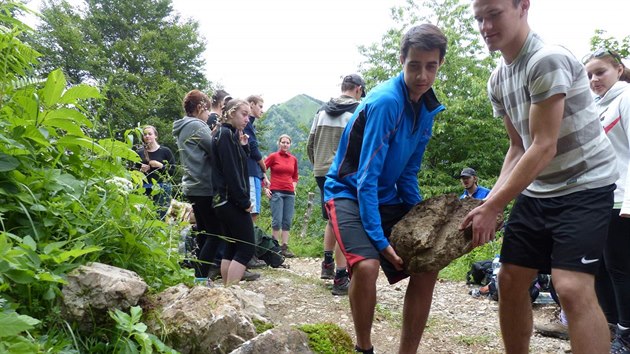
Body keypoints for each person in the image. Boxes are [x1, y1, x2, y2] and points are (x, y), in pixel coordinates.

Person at [463, 1, 619, 353]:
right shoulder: (498, 79)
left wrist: (495, 205)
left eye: (494, 14)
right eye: (479, 18)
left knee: (571, 287)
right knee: (510, 278)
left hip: (586, 184)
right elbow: (518, 146)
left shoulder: (546, 60)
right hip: (539, 188)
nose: (486, 26)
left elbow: (544, 145)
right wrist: (489, 205)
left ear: (522, 7)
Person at [324, 24, 448, 354]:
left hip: (384, 194)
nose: (422, 75)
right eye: (414, 65)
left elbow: (408, 174)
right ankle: (363, 347)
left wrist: (426, 218)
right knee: (366, 267)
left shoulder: (427, 108)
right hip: (347, 192)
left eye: (430, 66)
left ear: (439, 65)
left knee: (428, 263)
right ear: (401, 61)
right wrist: (379, 240)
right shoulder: (385, 102)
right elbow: (365, 177)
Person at [584, 48, 630, 352]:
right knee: (597, 267)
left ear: (618, 69)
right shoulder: (597, 106)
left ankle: (626, 333)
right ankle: (611, 325)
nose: (594, 79)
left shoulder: (626, 98)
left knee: (620, 268)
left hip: (622, 199)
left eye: (600, 72)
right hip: (600, 198)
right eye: (588, 75)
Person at [307, 73, 365, 295]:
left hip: (322, 171)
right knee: (344, 221)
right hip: (345, 173)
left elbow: (310, 143)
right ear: (358, 89)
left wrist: (318, 166)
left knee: (332, 219)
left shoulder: (321, 110)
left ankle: (328, 263)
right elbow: (362, 146)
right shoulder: (358, 110)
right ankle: (341, 276)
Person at [172, 90, 224, 285]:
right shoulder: (195, 125)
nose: (208, 114)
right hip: (203, 185)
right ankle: (201, 277)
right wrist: (218, 131)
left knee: (203, 230)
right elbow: (214, 150)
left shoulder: (184, 126)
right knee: (215, 232)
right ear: (201, 107)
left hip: (191, 184)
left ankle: (199, 276)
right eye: (207, 109)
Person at [211, 98, 258, 285]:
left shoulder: (225, 134)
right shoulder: (226, 135)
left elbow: (237, 163)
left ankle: (226, 295)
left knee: (231, 246)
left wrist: (244, 146)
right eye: (244, 114)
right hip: (231, 200)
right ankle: (231, 293)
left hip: (222, 200)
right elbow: (231, 172)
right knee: (246, 248)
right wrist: (244, 201)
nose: (247, 119)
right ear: (231, 113)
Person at [264, 134, 299, 258]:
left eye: (287, 143)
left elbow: (295, 176)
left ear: (290, 144)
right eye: (283, 142)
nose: (285, 144)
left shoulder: (293, 159)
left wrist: (293, 187)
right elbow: (262, 168)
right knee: (277, 220)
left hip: (289, 193)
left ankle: (284, 247)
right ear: (279, 143)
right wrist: (265, 187)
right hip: (276, 192)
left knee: (287, 221)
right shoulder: (274, 156)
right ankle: (274, 247)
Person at [135, 125, 176, 219]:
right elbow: (133, 170)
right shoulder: (139, 152)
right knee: (144, 216)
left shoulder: (165, 151)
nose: (147, 136)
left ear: (155, 136)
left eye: (150, 134)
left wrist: (160, 165)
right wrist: (140, 169)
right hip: (145, 188)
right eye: (145, 134)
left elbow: (173, 170)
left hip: (163, 187)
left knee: (160, 216)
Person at [244, 95, 269, 223]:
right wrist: (263, 165)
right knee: (252, 209)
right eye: (260, 106)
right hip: (250, 171)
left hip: (253, 171)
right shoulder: (247, 123)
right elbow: (253, 148)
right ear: (251, 104)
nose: (262, 110)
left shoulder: (250, 124)